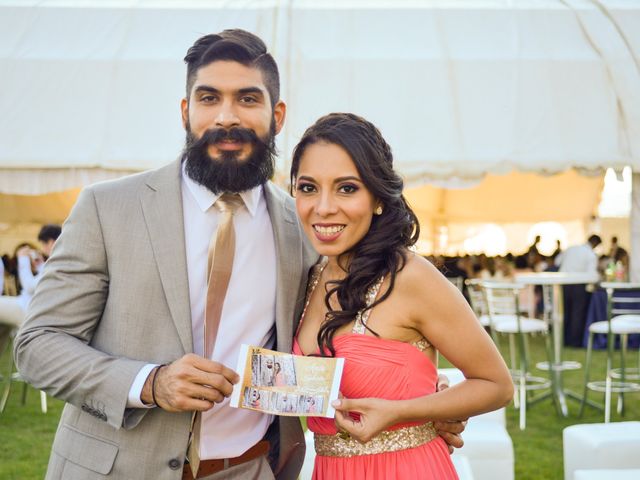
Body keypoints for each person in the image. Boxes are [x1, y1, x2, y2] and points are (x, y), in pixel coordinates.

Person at [13, 30, 465, 480]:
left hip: (251, 468)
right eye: (209, 99)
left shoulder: (308, 230)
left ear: (277, 115)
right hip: (116, 469)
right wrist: (150, 383)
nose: (227, 117)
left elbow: (350, 340)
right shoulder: (107, 208)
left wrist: (422, 404)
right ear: (186, 111)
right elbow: (38, 345)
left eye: (248, 99)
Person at [290, 113, 513, 479]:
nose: (324, 207)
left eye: (347, 188)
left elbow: (496, 385)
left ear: (378, 197)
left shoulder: (411, 277)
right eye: (309, 187)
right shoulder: (308, 275)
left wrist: (406, 411)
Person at [0, 225, 61, 328]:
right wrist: (41, 266)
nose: (42, 249)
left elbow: (29, 287)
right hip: (34, 308)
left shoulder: (58, 261)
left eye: (43, 244)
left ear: (50, 242)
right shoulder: (60, 260)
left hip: (29, 308)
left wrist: (23, 259)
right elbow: (45, 281)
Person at [555, 234, 602, 347]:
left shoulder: (572, 248)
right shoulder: (590, 254)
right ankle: (574, 342)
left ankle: (563, 340)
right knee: (577, 314)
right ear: (595, 244)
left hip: (564, 283)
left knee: (565, 312)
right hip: (579, 285)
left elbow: (557, 262)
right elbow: (591, 275)